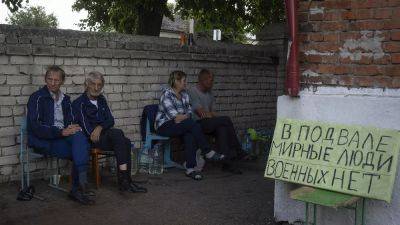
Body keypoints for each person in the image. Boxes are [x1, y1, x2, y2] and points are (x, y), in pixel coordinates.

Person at [27, 65, 94, 205]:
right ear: (45, 79)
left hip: (62, 139)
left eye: (56, 80)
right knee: (81, 149)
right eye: (49, 79)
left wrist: (72, 126)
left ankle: (79, 186)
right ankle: (80, 186)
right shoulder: (37, 98)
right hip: (44, 140)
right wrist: (61, 131)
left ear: (62, 81)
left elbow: (70, 121)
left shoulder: (65, 99)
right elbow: (36, 126)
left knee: (79, 135)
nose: (52, 83)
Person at [72, 71, 147, 193]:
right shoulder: (79, 103)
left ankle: (126, 181)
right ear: (87, 85)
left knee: (125, 141)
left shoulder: (101, 100)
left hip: (106, 136)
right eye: (93, 84)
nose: (96, 88)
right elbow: (87, 130)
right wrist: (98, 129)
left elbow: (110, 120)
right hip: (92, 140)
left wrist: (100, 127)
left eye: (99, 85)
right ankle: (125, 181)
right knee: (119, 135)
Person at [155, 70, 225, 180]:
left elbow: (189, 113)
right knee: (191, 125)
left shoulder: (184, 95)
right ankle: (207, 151)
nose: (185, 83)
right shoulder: (167, 95)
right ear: (176, 81)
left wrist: (183, 117)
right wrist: (183, 116)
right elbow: (176, 117)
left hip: (181, 124)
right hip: (164, 126)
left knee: (190, 132)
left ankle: (190, 169)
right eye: (183, 81)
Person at [188, 69, 249, 174]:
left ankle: (227, 164)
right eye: (210, 81)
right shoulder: (193, 91)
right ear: (203, 80)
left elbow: (213, 113)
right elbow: (201, 114)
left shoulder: (210, 93)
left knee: (223, 128)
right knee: (226, 120)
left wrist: (211, 115)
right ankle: (238, 150)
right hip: (198, 124)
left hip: (209, 123)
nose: (212, 83)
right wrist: (210, 115)